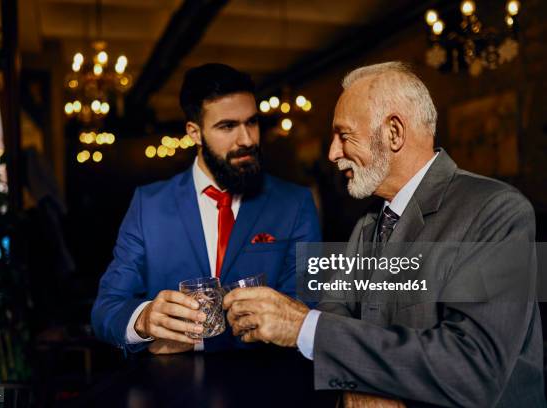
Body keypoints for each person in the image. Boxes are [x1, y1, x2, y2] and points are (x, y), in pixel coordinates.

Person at [223, 62, 545, 407]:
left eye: (344, 135)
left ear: (394, 133)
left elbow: (474, 368)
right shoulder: (369, 221)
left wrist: (301, 326)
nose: (332, 154)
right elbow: (336, 313)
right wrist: (359, 381)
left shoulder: (497, 210)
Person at [91, 63, 321, 355]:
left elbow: (311, 307)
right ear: (194, 133)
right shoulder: (147, 205)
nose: (247, 139)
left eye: (251, 122)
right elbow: (105, 309)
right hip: (171, 389)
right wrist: (144, 320)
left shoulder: (296, 203)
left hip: (268, 381)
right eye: (227, 126)